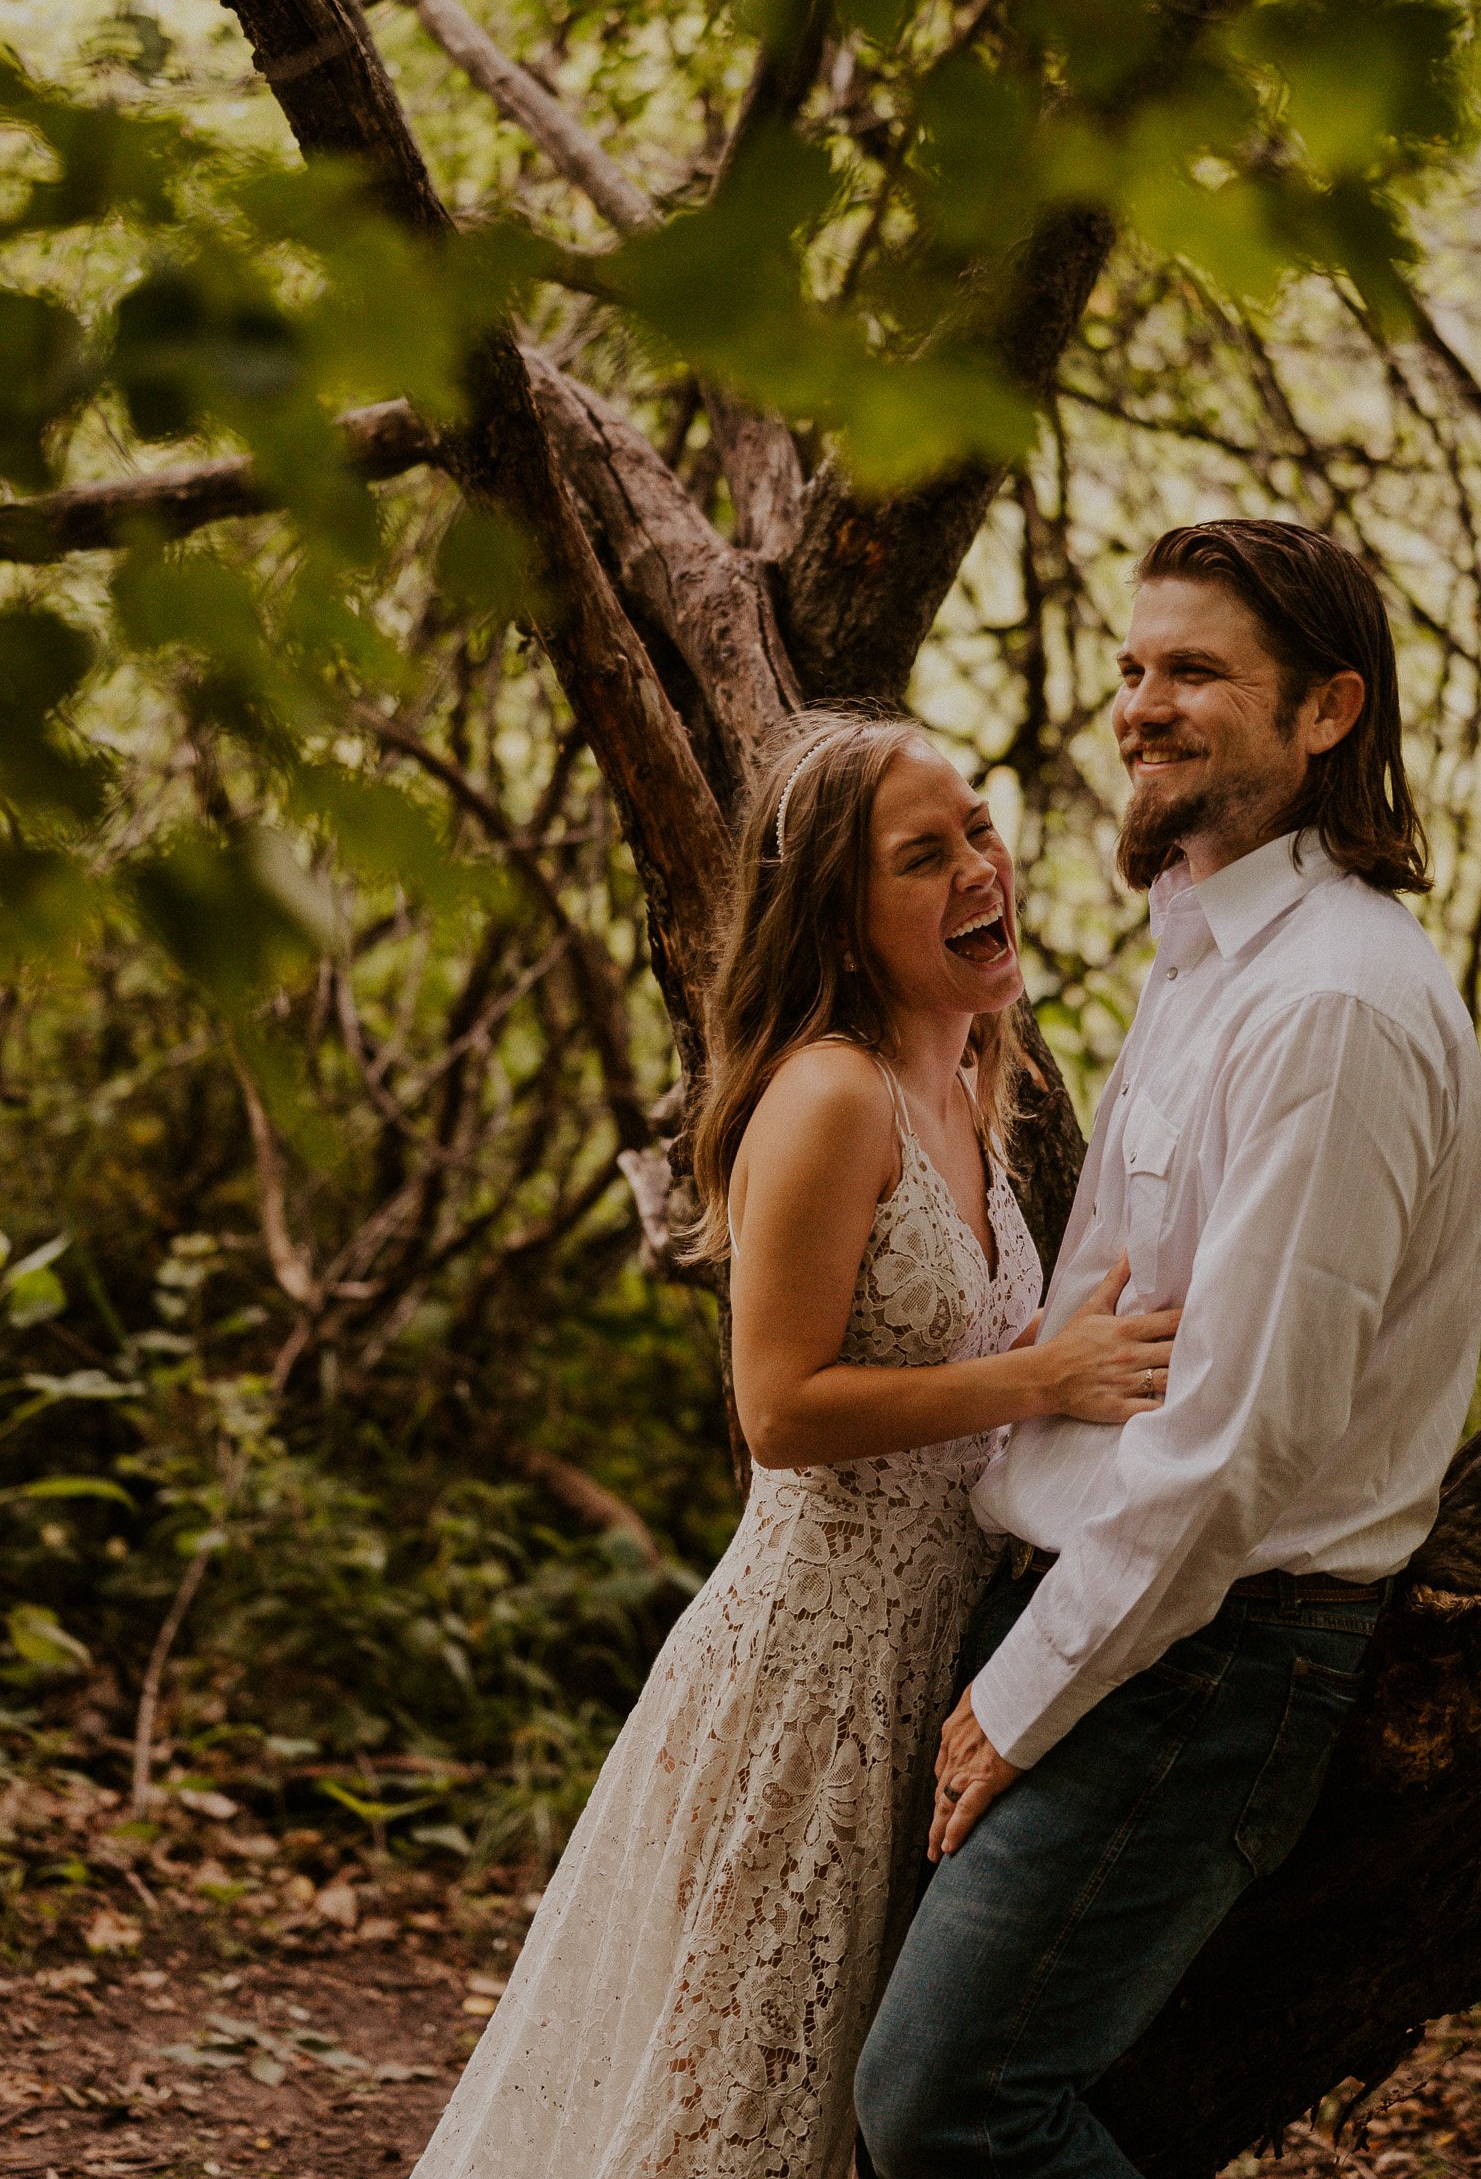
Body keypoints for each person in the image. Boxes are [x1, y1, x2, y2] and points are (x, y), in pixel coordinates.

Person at [411, 710, 1178, 2179]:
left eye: (978, 830)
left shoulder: (968, 1077)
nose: (978, 869)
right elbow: (781, 1411)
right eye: (924, 855)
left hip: (930, 1660)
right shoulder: (829, 1095)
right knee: (741, 2087)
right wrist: (1043, 1380)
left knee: (850, 2094)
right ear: (839, 914)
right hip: (809, 1672)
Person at [854, 519, 1481, 2179]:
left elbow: (1238, 1448)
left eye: (1195, 671)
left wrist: (1017, 1695)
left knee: (942, 2110)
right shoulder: (1212, 958)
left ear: (1328, 712)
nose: (1141, 704)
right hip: (1118, 1610)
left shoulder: (1333, 1005)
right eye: (1138, 668)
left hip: (1205, 1654)